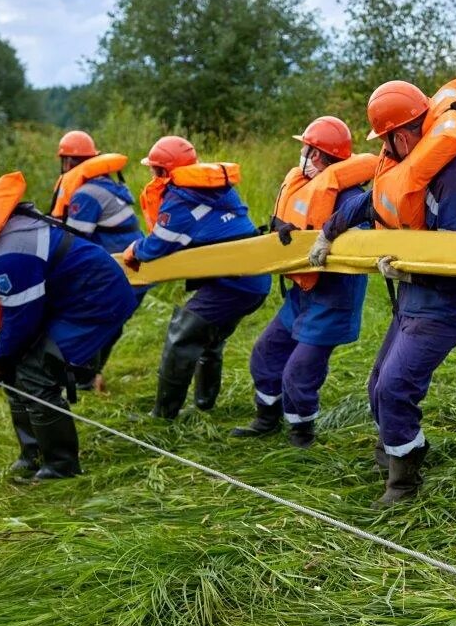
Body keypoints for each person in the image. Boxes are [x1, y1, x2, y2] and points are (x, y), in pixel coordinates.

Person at [308, 78, 456, 506]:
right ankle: (403, 448)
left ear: (399, 135)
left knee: (396, 386)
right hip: (414, 296)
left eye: (384, 141)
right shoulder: (405, 162)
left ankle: (404, 484)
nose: (383, 150)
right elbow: (371, 201)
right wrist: (327, 232)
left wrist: (408, 268)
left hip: (447, 301)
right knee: (377, 385)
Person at [0, 164, 138, 479]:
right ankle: (32, 454)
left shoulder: (12, 251)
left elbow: (22, 321)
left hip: (95, 300)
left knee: (35, 372)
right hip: (65, 297)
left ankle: (62, 467)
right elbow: (0, 309)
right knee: (17, 365)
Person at [233, 117, 376, 448]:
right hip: (301, 296)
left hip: (332, 302)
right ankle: (266, 420)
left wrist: (325, 239)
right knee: (265, 353)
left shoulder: (350, 197)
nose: (301, 154)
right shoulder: (304, 186)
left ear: (318, 154)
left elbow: (363, 242)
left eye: (305, 149)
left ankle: (302, 436)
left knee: (298, 373)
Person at [122, 136, 270, 419]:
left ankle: (163, 415)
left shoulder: (178, 199)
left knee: (182, 334)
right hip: (254, 280)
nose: (151, 174)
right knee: (210, 339)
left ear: (165, 171)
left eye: (154, 169)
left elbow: (155, 247)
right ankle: (204, 404)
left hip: (234, 284)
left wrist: (134, 249)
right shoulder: (219, 188)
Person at [48, 129, 146, 392]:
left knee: (85, 321)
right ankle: (91, 378)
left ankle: (84, 381)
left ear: (67, 163)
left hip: (117, 276)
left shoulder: (85, 195)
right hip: (135, 275)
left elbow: (73, 242)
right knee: (108, 325)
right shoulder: (106, 186)